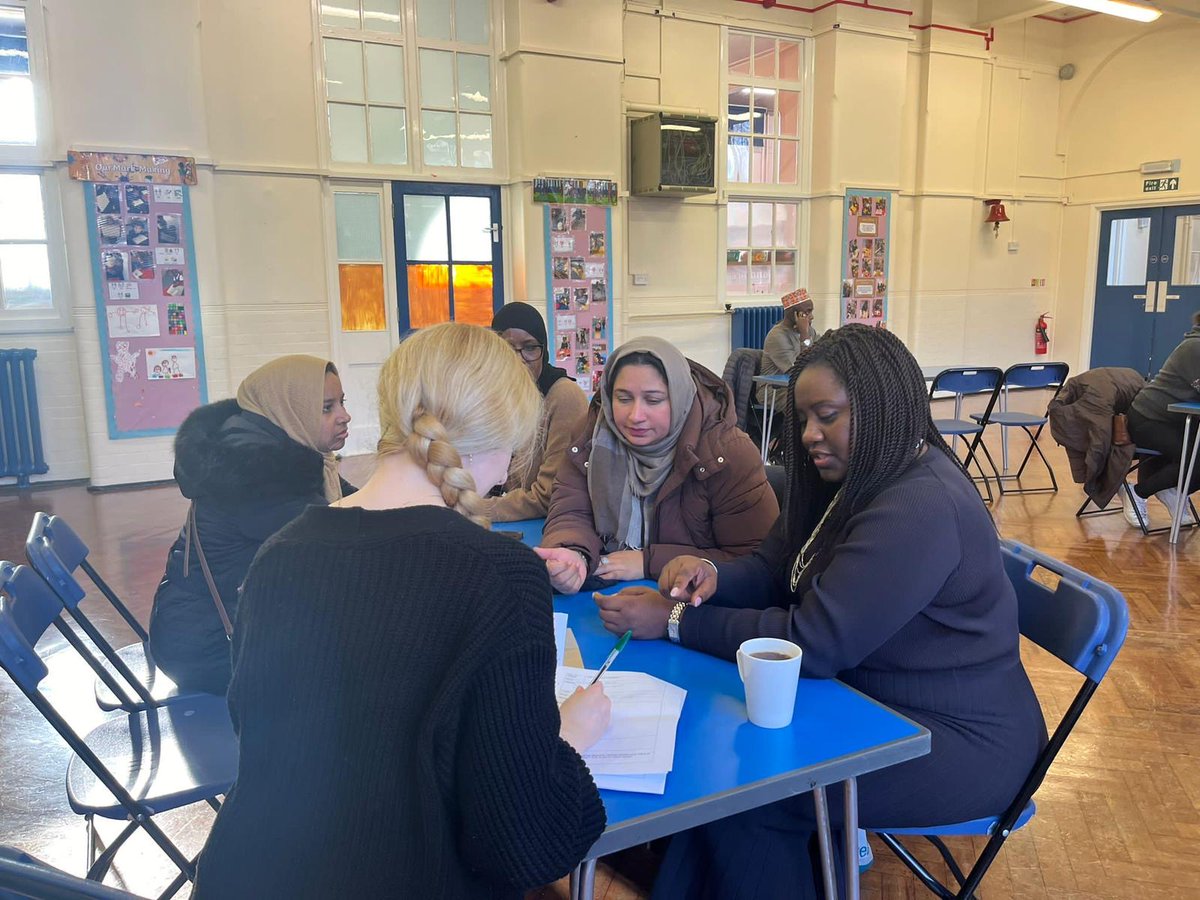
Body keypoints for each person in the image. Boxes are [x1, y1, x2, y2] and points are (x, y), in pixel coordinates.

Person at [594, 325, 1047, 899]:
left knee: (755, 793)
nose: (810, 435)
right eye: (803, 417)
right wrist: (711, 577)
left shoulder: (919, 505)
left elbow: (813, 642)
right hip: (873, 698)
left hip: (958, 740)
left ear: (881, 405)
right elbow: (774, 569)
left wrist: (678, 621)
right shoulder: (849, 476)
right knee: (724, 768)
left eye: (827, 415)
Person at [193, 323, 609, 899]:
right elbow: (520, 844)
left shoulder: (280, 554)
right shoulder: (500, 578)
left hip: (245, 876)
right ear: (501, 438)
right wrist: (567, 739)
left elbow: (260, 729)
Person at [147, 355, 353, 696]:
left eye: (341, 403)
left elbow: (352, 504)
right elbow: (341, 537)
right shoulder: (258, 474)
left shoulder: (276, 449)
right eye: (327, 408)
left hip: (200, 624)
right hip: (206, 646)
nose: (344, 416)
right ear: (290, 409)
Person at [537, 336, 778, 594]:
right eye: (623, 398)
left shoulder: (727, 452)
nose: (636, 416)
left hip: (688, 602)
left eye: (653, 400)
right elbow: (571, 511)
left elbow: (756, 563)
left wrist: (648, 561)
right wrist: (573, 553)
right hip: (607, 592)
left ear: (680, 397)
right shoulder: (590, 436)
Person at [482, 301, 588, 521]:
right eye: (509, 348)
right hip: (504, 520)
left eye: (530, 347)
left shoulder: (564, 397)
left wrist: (476, 509)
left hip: (546, 526)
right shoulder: (497, 396)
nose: (520, 359)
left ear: (544, 349)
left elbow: (548, 495)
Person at [1124, 310, 1200, 526]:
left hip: (1178, 420)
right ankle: (1137, 493)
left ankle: (1172, 490)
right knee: (1195, 458)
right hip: (1149, 420)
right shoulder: (1194, 347)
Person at [757, 287, 815, 407]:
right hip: (773, 390)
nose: (812, 317)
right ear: (795, 315)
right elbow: (798, 370)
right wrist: (804, 335)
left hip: (795, 387)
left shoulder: (810, 331)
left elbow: (820, 355)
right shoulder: (777, 336)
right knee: (805, 400)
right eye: (808, 312)